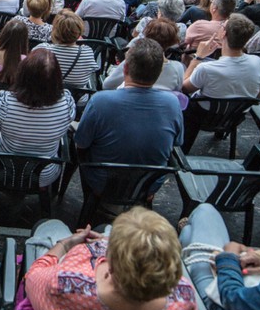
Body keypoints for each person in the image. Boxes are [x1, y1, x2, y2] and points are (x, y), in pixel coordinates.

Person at [23, 208, 197, 310]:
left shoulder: (68, 285)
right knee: (106, 229)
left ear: (111, 265)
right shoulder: (185, 300)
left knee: (51, 227)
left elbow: (33, 276)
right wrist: (110, 242)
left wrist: (65, 245)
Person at [76, 39, 183, 196]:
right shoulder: (173, 103)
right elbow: (177, 142)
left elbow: (81, 143)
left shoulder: (100, 100)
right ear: (159, 72)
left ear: (125, 68)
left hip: (102, 181)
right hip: (147, 185)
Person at [0, 49, 74, 187]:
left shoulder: (4, 101)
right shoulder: (67, 102)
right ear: (57, 77)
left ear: (22, 73)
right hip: (44, 174)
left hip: (1, 168)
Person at [182, 14, 260, 98]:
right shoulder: (259, 63)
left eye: (222, 25)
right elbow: (259, 96)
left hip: (203, 110)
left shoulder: (206, 68)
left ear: (223, 34)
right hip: (241, 110)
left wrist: (198, 58)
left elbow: (183, 88)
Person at [34, 10, 99, 88]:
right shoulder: (87, 53)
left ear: (55, 30)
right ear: (79, 32)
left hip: (47, 97)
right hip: (78, 98)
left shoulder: (42, 50)